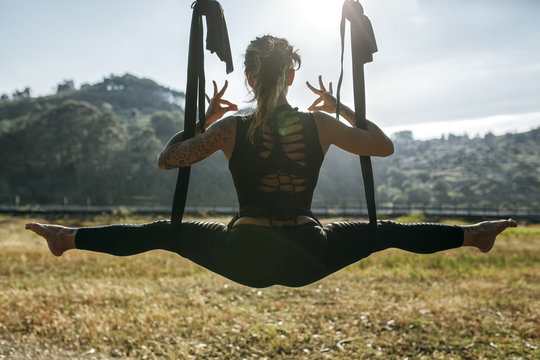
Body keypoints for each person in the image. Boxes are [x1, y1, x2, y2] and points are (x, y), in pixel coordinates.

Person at [26, 35, 516, 288]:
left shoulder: (228, 128)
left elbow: (165, 161)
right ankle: (473, 235)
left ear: (248, 74)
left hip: (246, 251)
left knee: (165, 232)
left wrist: (201, 117)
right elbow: (382, 146)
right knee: (382, 230)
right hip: (311, 250)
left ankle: (68, 238)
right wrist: (340, 106)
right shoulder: (319, 125)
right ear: (293, 72)